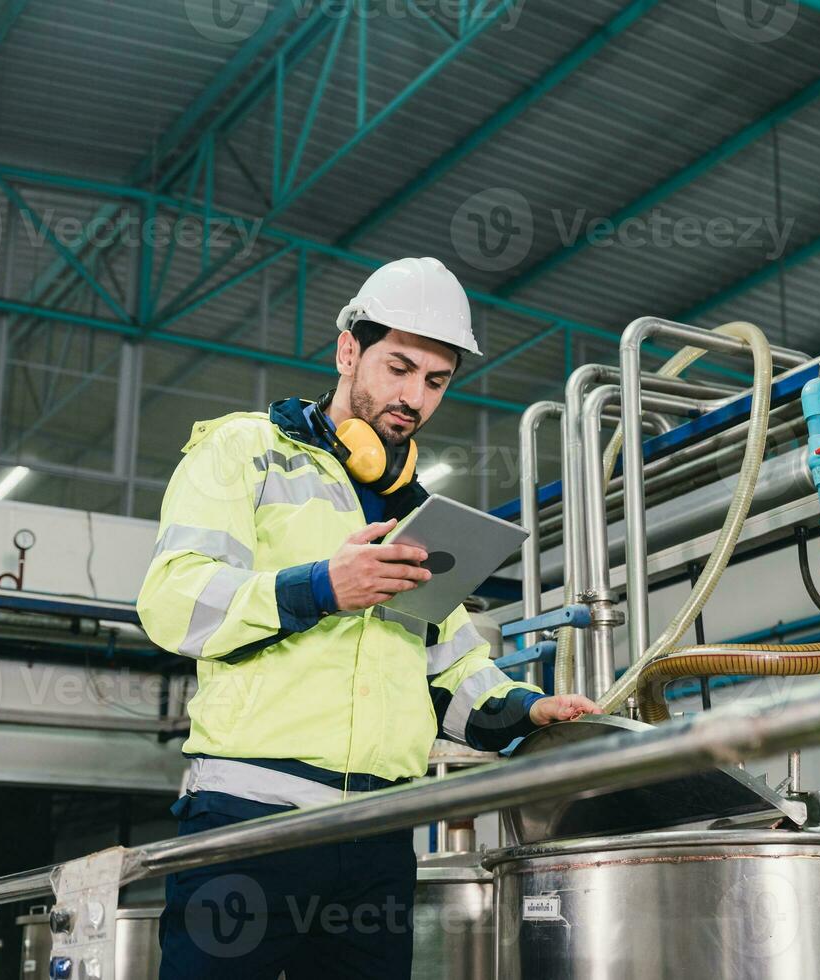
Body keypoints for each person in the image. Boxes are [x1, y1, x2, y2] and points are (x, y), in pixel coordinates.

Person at [137, 256, 600, 979]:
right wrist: (321, 585)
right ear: (348, 350)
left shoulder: (418, 514)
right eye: (398, 367)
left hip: (379, 837)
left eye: (435, 381)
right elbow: (174, 603)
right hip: (249, 820)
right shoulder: (243, 452)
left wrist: (528, 709)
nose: (413, 397)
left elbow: (449, 676)